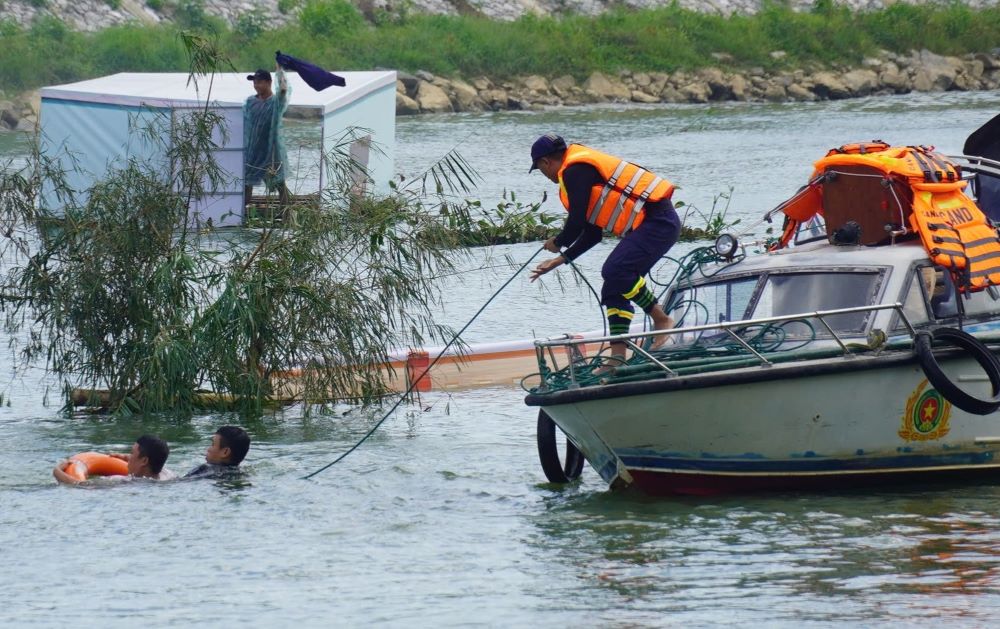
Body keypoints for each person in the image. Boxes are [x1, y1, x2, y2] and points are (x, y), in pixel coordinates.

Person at [528, 133, 680, 370]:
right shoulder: (578, 172)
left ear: (545, 162)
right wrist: (559, 259)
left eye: (539, 169)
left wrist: (559, 241)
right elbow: (592, 233)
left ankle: (661, 318)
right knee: (612, 285)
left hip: (659, 222)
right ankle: (616, 358)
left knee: (616, 270)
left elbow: (576, 221)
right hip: (651, 225)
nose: (544, 175)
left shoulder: (574, 170)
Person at [244, 67, 291, 206]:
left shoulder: (276, 102)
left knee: (280, 184)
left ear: (269, 83)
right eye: (254, 82)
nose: (256, 85)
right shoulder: (250, 102)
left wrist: (280, 69)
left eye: (259, 82)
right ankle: (242, 217)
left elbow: (283, 90)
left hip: (272, 150)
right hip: (254, 150)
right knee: (247, 183)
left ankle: (286, 216)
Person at [53, 435, 173, 484]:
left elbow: (80, 486)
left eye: (132, 453)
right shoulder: (167, 475)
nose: (128, 457)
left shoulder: (125, 482)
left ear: (144, 461)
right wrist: (126, 458)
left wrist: (57, 471)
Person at [184, 425, 251, 479]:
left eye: (213, 444)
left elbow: (179, 482)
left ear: (225, 452)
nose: (208, 449)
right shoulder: (242, 473)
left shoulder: (205, 469)